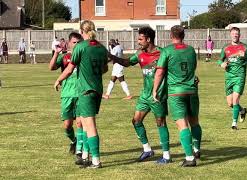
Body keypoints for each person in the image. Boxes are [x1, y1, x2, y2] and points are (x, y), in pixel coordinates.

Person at [110, 27, 171, 164]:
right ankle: (147, 149)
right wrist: (111, 57)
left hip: (158, 95)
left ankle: (166, 155)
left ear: (148, 39)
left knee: (160, 123)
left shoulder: (163, 53)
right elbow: (127, 62)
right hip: (144, 95)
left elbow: (174, 67)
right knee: (136, 121)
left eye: (140, 39)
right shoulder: (140, 54)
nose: (138, 42)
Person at [54, 20, 109, 169]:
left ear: (82, 31)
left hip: (86, 91)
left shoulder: (80, 47)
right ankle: (85, 156)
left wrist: (58, 79)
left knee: (90, 125)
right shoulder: (101, 47)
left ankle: (96, 160)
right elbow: (105, 69)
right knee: (84, 123)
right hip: (97, 89)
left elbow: (70, 69)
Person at [153, 25, 202, 167]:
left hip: (176, 92)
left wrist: (155, 89)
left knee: (182, 125)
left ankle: (189, 158)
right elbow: (193, 69)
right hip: (192, 90)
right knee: (194, 121)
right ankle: (197, 150)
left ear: (171, 36)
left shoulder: (167, 51)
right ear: (184, 35)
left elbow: (160, 72)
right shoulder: (191, 50)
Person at [49, 32, 84, 162]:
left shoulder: (83, 56)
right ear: (69, 43)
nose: (76, 45)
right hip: (67, 94)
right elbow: (51, 67)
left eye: (79, 42)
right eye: (74, 42)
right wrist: (56, 53)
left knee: (80, 123)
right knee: (67, 125)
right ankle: (74, 141)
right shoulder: (65, 57)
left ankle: (80, 151)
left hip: (81, 94)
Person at [217, 27, 247, 130]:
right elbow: (219, 61)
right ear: (230, 35)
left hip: (240, 76)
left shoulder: (245, 47)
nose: (235, 35)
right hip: (229, 77)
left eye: (237, 33)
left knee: (235, 100)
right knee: (230, 103)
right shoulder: (226, 48)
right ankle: (242, 111)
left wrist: (246, 57)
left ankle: (234, 123)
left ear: (239, 35)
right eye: (233, 33)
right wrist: (222, 64)